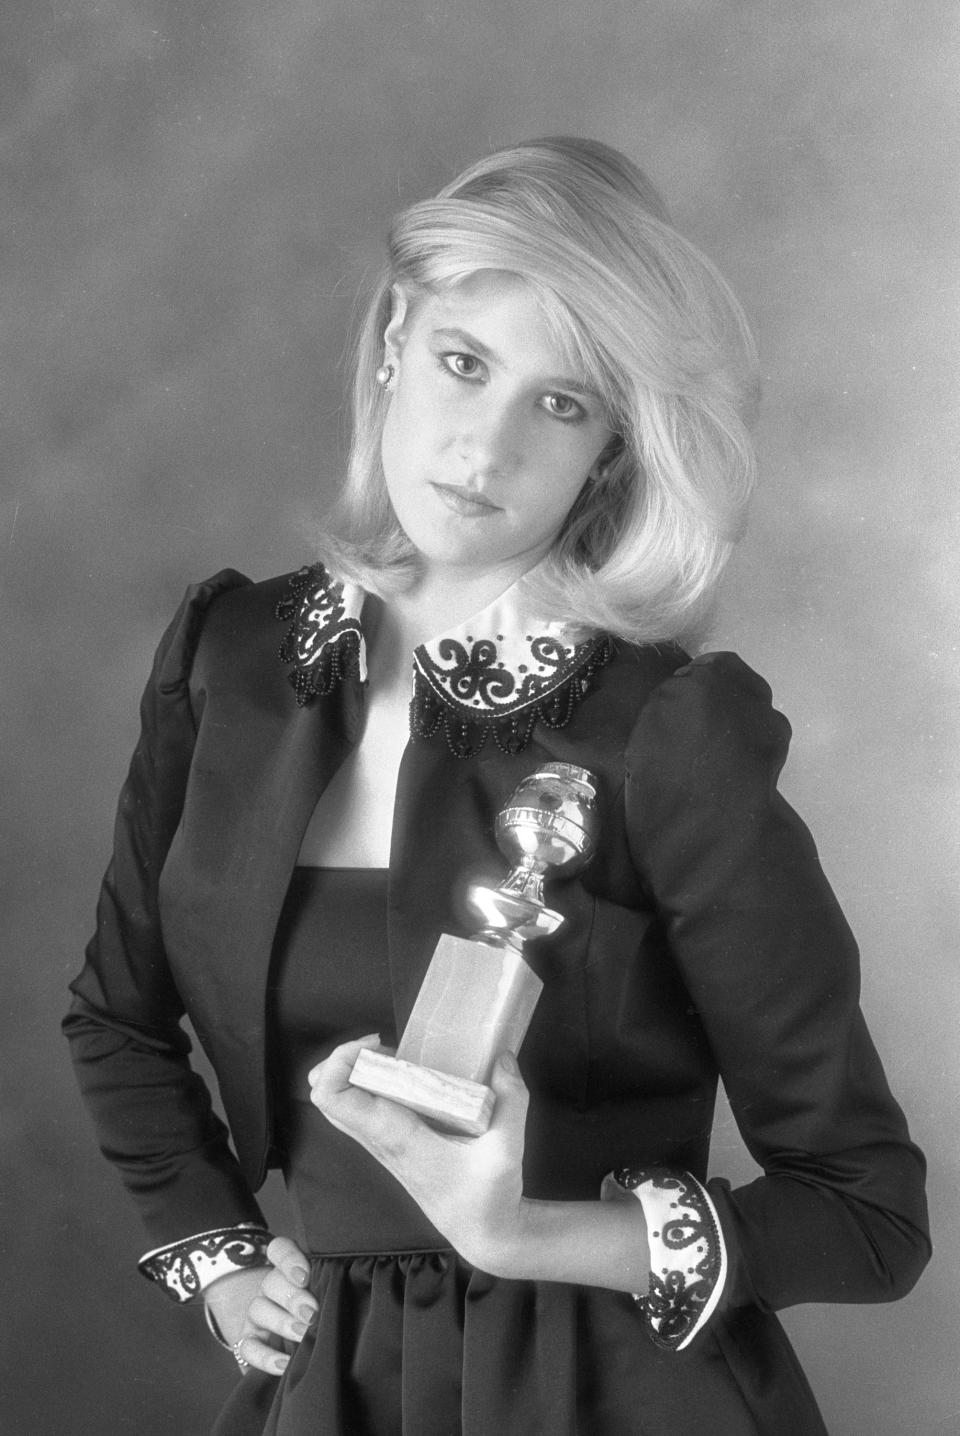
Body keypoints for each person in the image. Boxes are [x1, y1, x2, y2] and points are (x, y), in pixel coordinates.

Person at [64, 137, 930, 1436]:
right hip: (331, 1390)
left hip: (617, 1394)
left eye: (563, 405)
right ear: (397, 338)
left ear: (614, 456)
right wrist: (219, 1252)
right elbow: (117, 1021)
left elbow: (866, 1212)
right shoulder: (229, 660)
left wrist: (529, 1234)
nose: (487, 444)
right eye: (468, 364)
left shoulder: (670, 731)